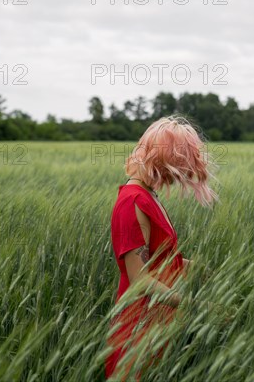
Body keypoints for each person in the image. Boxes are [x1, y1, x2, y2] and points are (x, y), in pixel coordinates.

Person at [105, 114, 218, 380]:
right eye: (178, 164)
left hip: (158, 323)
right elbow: (140, 280)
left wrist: (200, 269)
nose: (179, 175)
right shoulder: (132, 202)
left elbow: (160, 259)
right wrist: (197, 305)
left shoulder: (147, 196)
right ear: (162, 160)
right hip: (138, 328)